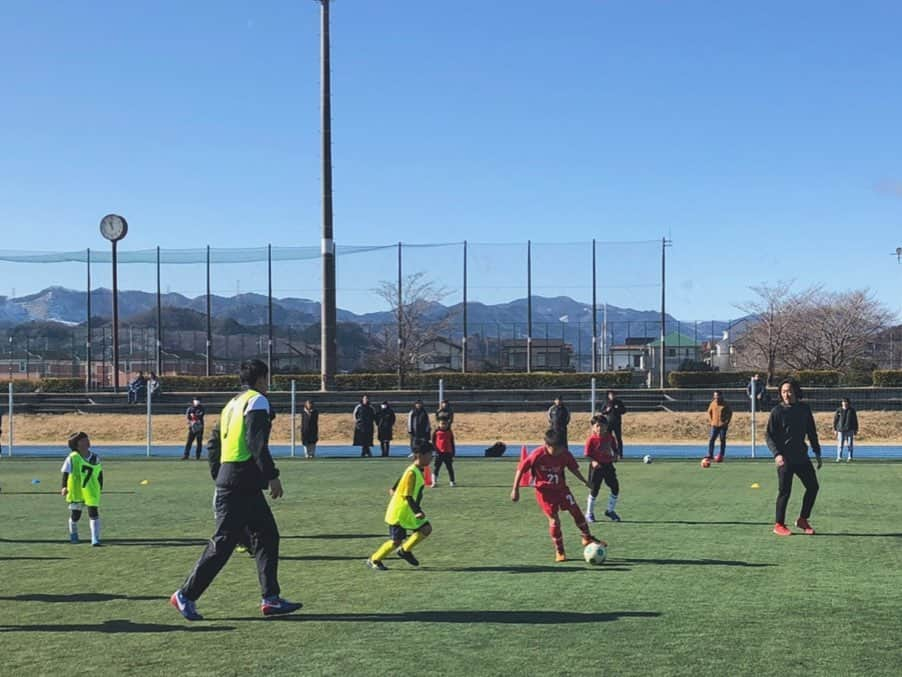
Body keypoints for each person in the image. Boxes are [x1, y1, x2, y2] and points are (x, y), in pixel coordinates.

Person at [170, 359, 302, 621]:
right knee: (223, 543)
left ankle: (271, 598)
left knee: (266, 536)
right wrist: (272, 475)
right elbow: (257, 444)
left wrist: (218, 475)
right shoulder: (257, 401)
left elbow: (212, 444)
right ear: (262, 378)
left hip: (238, 482)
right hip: (241, 483)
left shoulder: (231, 404)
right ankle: (185, 594)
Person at [510, 429, 605, 562]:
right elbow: (521, 468)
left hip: (561, 489)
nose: (560, 451)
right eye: (556, 449)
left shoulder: (564, 454)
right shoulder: (537, 454)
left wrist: (584, 481)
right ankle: (560, 550)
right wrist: (515, 489)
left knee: (576, 512)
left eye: (561, 448)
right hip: (545, 493)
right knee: (555, 520)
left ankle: (587, 537)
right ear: (547, 446)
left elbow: (573, 468)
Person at [366, 440, 435, 571]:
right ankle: (374, 559)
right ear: (420, 455)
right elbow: (408, 495)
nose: (432, 457)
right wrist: (417, 511)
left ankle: (404, 550)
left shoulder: (417, 469)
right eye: (430, 454)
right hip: (400, 511)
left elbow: (401, 479)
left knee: (426, 529)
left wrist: (393, 488)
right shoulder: (411, 472)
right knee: (395, 541)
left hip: (408, 511)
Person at [766, 378, 822, 537]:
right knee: (785, 491)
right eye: (783, 391)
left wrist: (817, 452)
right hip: (785, 459)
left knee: (813, 487)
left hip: (802, 457)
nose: (786, 394)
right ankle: (779, 524)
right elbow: (769, 436)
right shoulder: (777, 411)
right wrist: (777, 454)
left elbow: (811, 432)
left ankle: (803, 519)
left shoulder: (804, 409)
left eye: (789, 391)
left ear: (796, 391)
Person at [60, 432, 103, 546]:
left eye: (87, 439)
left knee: (93, 512)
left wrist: (100, 487)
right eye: (83, 440)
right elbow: (65, 472)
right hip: (76, 490)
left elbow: (99, 473)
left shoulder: (95, 457)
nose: (87, 442)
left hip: (91, 488)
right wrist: (64, 486)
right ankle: (73, 533)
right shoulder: (73, 458)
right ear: (77, 445)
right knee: (76, 515)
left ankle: (95, 538)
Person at [584, 414, 621, 522]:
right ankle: (589, 513)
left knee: (615, 487)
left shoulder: (610, 437)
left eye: (602, 426)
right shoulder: (591, 440)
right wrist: (593, 461)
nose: (600, 428)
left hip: (608, 465)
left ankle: (610, 511)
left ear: (606, 426)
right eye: (597, 426)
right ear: (593, 427)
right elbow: (587, 455)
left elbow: (615, 449)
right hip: (596, 467)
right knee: (594, 490)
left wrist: (615, 456)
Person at [705, 390, 733, 463]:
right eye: (715, 396)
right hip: (714, 425)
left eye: (717, 396)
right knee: (712, 439)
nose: (716, 397)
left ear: (721, 396)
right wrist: (712, 421)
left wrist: (727, 422)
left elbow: (730, 413)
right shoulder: (713, 403)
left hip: (723, 425)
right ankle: (710, 454)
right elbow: (709, 412)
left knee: (722, 439)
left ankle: (721, 454)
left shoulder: (725, 404)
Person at [601, 390, 627, 458]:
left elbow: (624, 410)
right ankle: (608, 453)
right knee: (607, 438)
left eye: (613, 395)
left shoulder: (618, 402)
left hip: (617, 423)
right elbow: (602, 411)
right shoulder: (606, 403)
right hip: (608, 423)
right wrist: (606, 410)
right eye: (610, 395)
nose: (612, 396)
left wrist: (618, 409)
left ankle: (620, 454)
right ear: (608, 396)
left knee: (618, 438)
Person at [431, 418, 456, 487]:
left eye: (445, 424)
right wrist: (435, 450)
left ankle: (452, 481)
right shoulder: (436, 432)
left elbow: (452, 442)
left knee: (450, 468)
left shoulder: (449, 432)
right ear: (439, 424)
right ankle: (434, 481)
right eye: (442, 424)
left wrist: (453, 453)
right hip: (439, 453)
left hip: (448, 453)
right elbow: (433, 442)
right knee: (436, 468)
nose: (444, 425)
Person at [833, 397, 859, 463]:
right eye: (843, 402)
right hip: (840, 430)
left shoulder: (852, 410)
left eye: (846, 402)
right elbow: (835, 420)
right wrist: (835, 429)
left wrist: (856, 429)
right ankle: (839, 457)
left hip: (850, 429)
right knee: (840, 444)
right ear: (842, 403)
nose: (844, 403)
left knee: (850, 444)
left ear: (848, 403)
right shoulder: (838, 410)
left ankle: (850, 457)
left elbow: (855, 420)